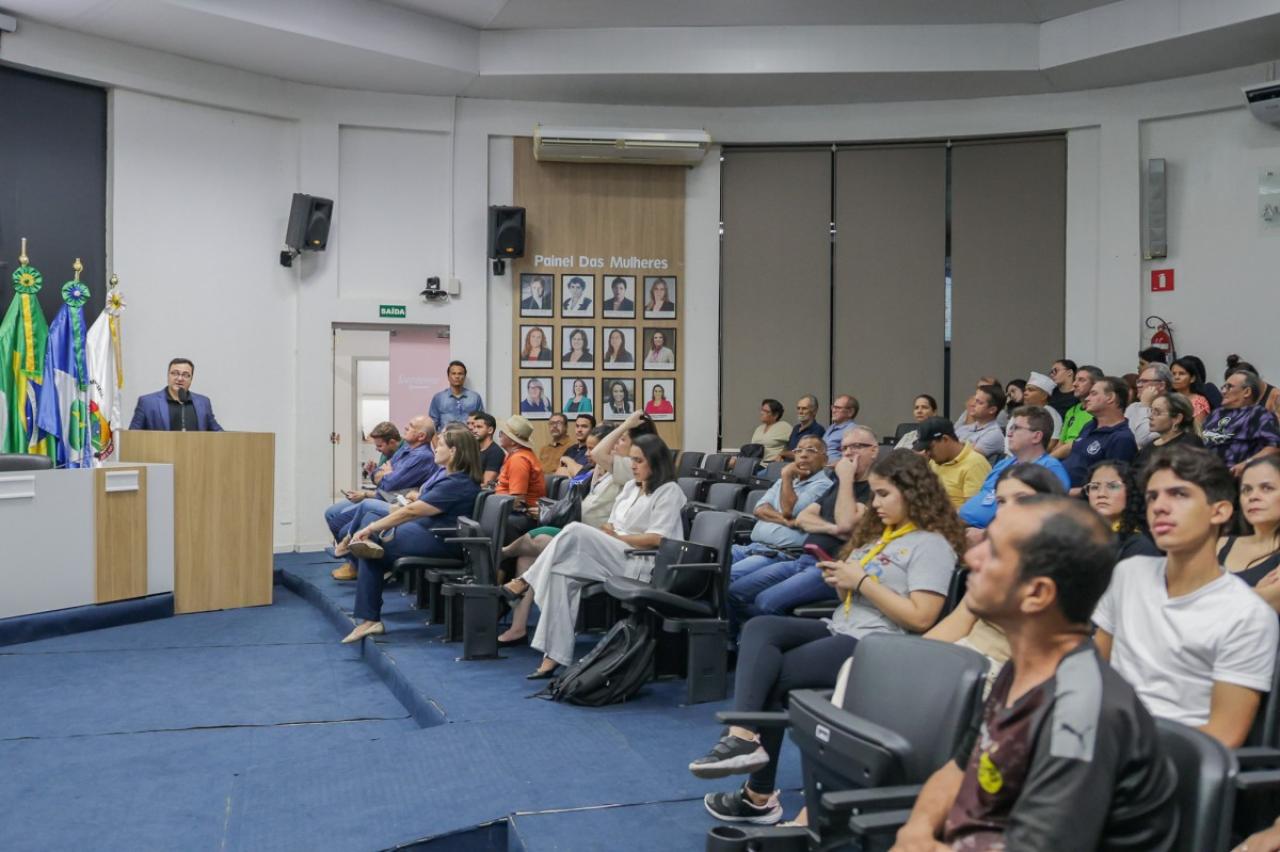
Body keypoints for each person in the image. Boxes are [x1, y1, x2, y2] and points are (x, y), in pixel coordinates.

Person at [690, 450, 963, 825]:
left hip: (878, 645)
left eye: (884, 494)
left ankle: (756, 791)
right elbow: (856, 594)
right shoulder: (881, 536)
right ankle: (743, 736)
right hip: (842, 625)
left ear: (913, 492)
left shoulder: (930, 544)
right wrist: (842, 581)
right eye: (875, 494)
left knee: (774, 675)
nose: (875, 503)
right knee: (760, 627)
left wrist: (861, 581)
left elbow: (922, 617)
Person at [892, 496, 1178, 851]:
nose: (972, 557)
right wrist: (916, 831)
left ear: (1038, 593)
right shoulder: (1021, 670)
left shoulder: (1080, 712)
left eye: (994, 552)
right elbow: (960, 769)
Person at [1093, 446, 1278, 748]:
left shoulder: (1248, 615)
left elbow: (1224, 735)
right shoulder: (1129, 574)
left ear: (1219, 511)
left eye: (1179, 494)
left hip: (1170, 761)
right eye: (1153, 496)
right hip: (1103, 740)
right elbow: (1094, 670)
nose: (1159, 507)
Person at [502, 432, 685, 678]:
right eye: (631, 460)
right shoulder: (630, 487)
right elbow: (611, 524)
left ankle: (525, 580)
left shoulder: (669, 491)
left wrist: (619, 537)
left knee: (574, 530)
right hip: (615, 553)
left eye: (639, 461)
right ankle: (553, 656)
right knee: (560, 574)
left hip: (641, 560)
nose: (632, 465)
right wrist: (611, 532)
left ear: (656, 462)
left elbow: (659, 538)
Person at [927, 463, 1066, 695]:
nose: (1006, 510)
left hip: (1004, 675)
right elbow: (959, 621)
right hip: (963, 657)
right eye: (1001, 501)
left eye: (1022, 499)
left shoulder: (1064, 563)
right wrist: (912, 653)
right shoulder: (996, 555)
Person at [338, 429, 484, 643]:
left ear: (453, 451)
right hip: (427, 531)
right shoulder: (450, 476)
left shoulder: (457, 482)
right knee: (369, 540)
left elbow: (413, 511)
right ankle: (369, 618)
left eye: (440, 445)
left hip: (441, 539)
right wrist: (371, 529)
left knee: (370, 542)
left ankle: (370, 619)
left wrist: (371, 529)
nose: (435, 449)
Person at [727, 427, 877, 626]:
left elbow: (846, 523)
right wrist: (833, 529)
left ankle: (774, 640)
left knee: (765, 602)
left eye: (856, 446)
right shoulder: (837, 485)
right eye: (844, 448)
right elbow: (803, 518)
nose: (849, 453)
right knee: (734, 592)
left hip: (831, 567)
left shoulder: (874, 489)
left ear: (874, 450)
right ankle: (741, 640)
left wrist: (846, 479)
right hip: (803, 560)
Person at [497, 424, 625, 646]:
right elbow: (572, 496)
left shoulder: (620, 474)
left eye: (592, 449)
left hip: (594, 540)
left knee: (539, 538)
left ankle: (502, 554)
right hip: (573, 529)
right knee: (526, 556)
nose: (588, 453)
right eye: (587, 448)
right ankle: (518, 628)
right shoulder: (591, 471)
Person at [726, 434, 834, 610]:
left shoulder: (824, 485)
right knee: (704, 567)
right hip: (751, 547)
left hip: (777, 554)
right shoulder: (781, 482)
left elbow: (791, 510)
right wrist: (786, 520)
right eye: (799, 450)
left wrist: (786, 477)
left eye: (811, 450)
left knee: (726, 578)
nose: (803, 455)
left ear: (825, 459)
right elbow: (759, 510)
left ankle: (730, 627)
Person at [324, 415, 438, 573]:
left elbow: (389, 484)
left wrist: (386, 475)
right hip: (383, 496)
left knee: (342, 526)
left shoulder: (422, 457)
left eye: (411, 426)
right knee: (331, 513)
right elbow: (378, 475)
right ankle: (353, 563)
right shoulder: (406, 448)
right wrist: (385, 474)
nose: (406, 427)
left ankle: (357, 564)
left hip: (394, 502)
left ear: (421, 436)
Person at [958, 406, 1070, 530]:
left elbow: (1047, 519)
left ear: (1036, 437)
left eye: (1016, 428)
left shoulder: (1049, 468)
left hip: (992, 534)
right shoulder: (1003, 464)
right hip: (962, 526)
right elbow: (983, 497)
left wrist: (986, 533)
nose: (1009, 433)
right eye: (1010, 428)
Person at [1219, 456, 1280, 611]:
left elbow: (1270, 599)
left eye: (1267, 488)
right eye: (1246, 490)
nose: (1253, 497)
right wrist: (1254, 592)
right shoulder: (1220, 543)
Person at [1061, 375, 1138, 491]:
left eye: (1093, 394)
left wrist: (1069, 493)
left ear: (1110, 398)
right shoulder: (1089, 425)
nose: (1087, 398)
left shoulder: (1122, 438)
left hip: (1079, 498)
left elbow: (1114, 485)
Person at [1203, 368, 1280, 476]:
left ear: (1247, 392)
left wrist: (1246, 464)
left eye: (1229, 387)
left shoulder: (1258, 414)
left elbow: (1274, 448)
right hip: (1205, 474)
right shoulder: (1215, 413)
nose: (1223, 391)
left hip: (1234, 476)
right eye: (1223, 387)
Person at [1085, 460, 1160, 559]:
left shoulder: (1139, 546)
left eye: (1113, 486)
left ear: (1130, 492)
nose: (1101, 494)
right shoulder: (1081, 536)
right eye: (1094, 487)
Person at [129, 358, 223, 431]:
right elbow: (133, 436)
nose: (180, 378)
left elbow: (218, 433)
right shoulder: (147, 403)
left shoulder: (203, 403)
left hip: (195, 451)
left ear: (191, 379)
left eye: (185, 375)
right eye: (175, 373)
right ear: (168, 375)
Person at [917, 416, 991, 508]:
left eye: (929, 448)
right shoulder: (935, 461)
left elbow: (975, 511)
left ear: (945, 439)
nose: (927, 453)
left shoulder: (975, 464)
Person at [494, 415, 547, 540]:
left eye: (503, 433)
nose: (500, 435)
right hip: (512, 511)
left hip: (523, 515)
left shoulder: (519, 460)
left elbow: (517, 501)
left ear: (513, 441)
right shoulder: (514, 455)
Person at [1134, 392, 1203, 469]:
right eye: (1151, 411)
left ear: (1177, 419)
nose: (1150, 417)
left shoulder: (1189, 444)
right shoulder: (1150, 445)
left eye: (1157, 413)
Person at [1051, 363, 1101, 454]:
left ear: (1095, 384)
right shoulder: (1071, 411)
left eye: (1081, 380)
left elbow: (1080, 444)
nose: (1074, 384)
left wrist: (1050, 458)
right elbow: (1060, 443)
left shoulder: (1100, 412)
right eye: (1075, 380)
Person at [954, 384, 1006, 459]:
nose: (973, 404)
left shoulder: (994, 434)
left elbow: (967, 457)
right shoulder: (963, 428)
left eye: (979, 402)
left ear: (992, 410)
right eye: (975, 400)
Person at [428, 361, 484, 430]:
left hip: (468, 436)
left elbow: (481, 421)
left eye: (460, 374)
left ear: (464, 376)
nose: (457, 376)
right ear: (448, 377)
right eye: (453, 373)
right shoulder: (439, 398)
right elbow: (433, 423)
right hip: (445, 436)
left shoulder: (474, 397)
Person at [1126, 362, 1171, 447]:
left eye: (1144, 381)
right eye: (1138, 381)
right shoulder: (1133, 407)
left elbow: (1142, 440)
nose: (1139, 386)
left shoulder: (1170, 408)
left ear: (1161, 385)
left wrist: (1145, 405)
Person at [1015, 372, 1063, 445]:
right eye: (1025, 390)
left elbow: (1052, 442)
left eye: (1030, 390)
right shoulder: (1023, 412)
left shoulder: (1050, 414)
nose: (1025, 393)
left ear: (1044, 396)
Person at [780, 394, 825, 460]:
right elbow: (787, 448)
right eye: (798, 408)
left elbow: (804, 454)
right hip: (785, 463)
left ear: (814, 411)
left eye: (804, 408)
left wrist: (783, 454)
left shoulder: (818, 430)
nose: (800, 412)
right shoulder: (796, 428)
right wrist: (780, 455)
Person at [466, 411, 505, 486]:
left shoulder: (495, 452)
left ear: (490, 430)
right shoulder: (473, 449)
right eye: (474, 427)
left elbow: (486, 483)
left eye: (479, 427)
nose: (474, 430)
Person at [1171, 356, 1212, 423]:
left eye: (1181, 374)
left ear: (1192, 379)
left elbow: (1197, 427)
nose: (1176, 377)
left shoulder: (1199, 402)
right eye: (1173, 374)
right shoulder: (1166, 398)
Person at [823, 394, 860, 464]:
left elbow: (851, 458)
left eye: (838, 408)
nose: (833, 410)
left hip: (836, 469)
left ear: (850, 412)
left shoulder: (852, 430)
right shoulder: (831, 427)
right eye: (833, 407)